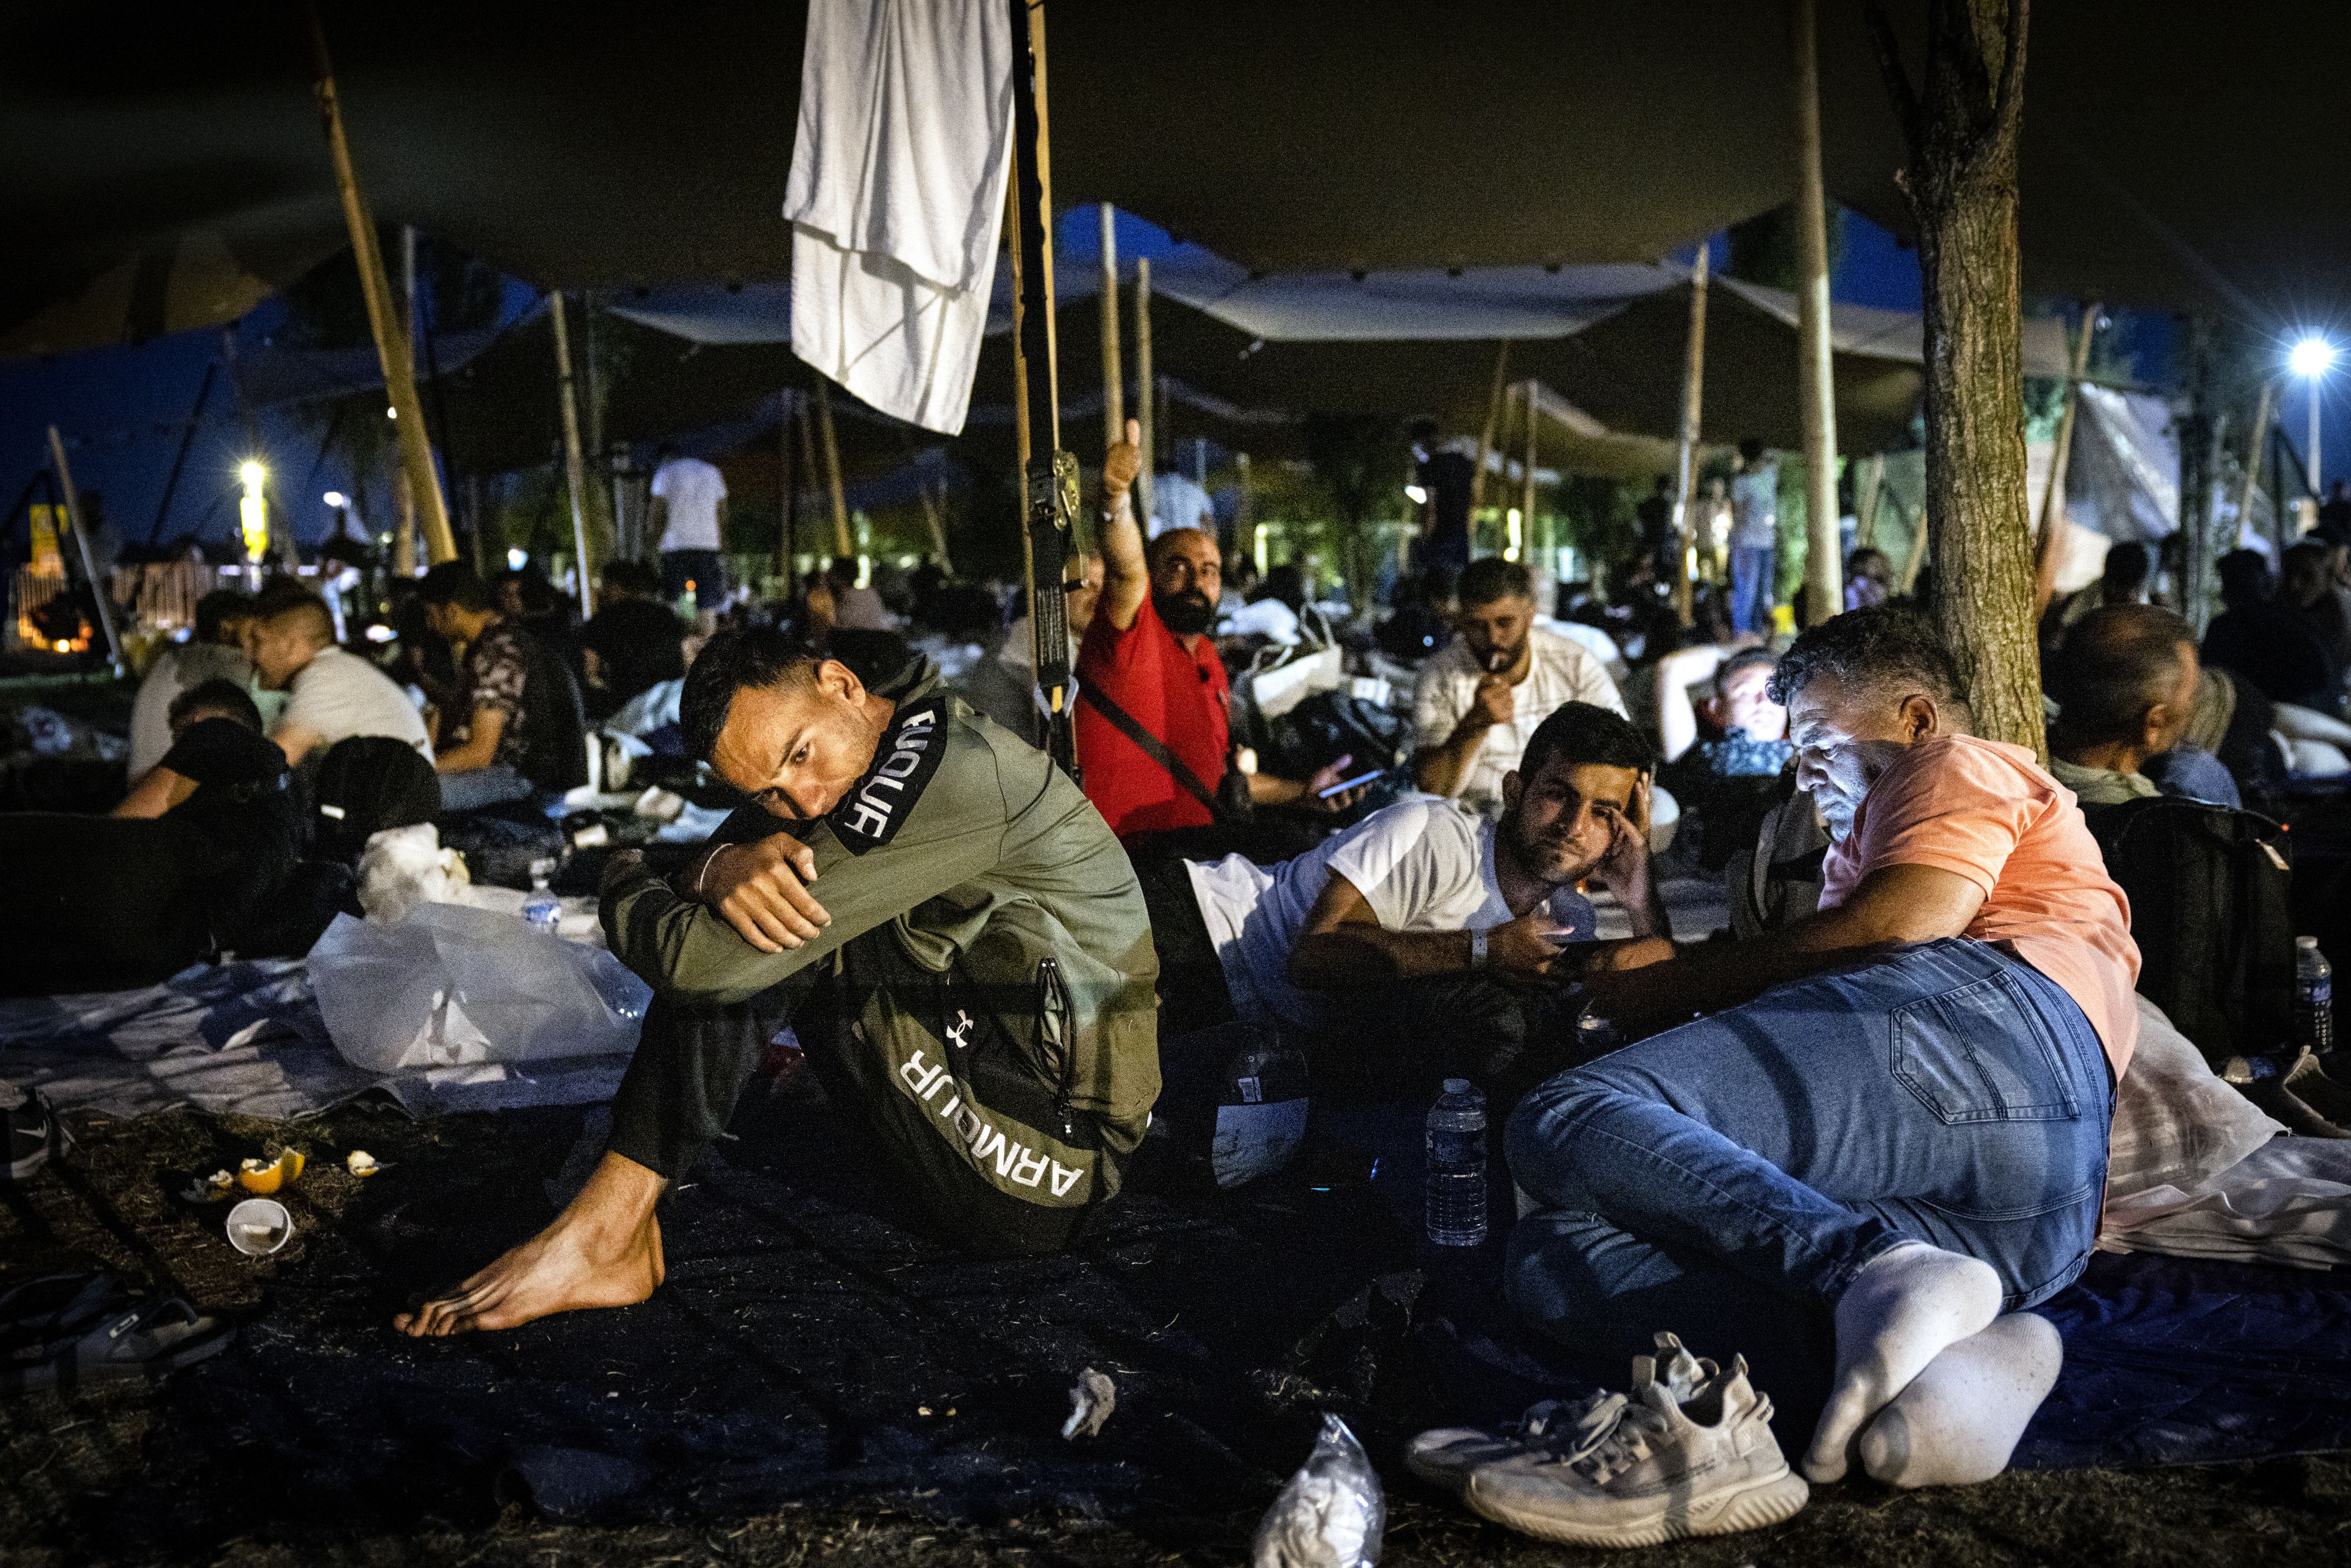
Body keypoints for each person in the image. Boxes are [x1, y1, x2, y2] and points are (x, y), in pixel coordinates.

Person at [1501, 606, 2134, 1500]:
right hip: (2033, 1223)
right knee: (1552, 1260)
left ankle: (1867, 1272)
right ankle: (1955, 1373)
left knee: (1564, 1116)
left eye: (1821, 745)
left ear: (1914, 719)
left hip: (1989, 1032)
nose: (1802, 775)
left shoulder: (1955, 762)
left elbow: (1901, 927)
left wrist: (1672, 987)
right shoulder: (1863, 851)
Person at [393, 629, 1161, 1335]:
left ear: (842, 685)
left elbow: (702, 962)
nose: (807, 798)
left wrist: (623, 871)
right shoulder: (887, 724)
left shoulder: (953, 773)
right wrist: (717, 862)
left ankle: (602, 1233)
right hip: (1002, 1080)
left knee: (781, 926)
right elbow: (742, 854)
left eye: (800, 755)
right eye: (766, 790)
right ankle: (607, 1232)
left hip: (1054, 1166)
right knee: (778, 886)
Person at [1147, 703, 1662, 1105]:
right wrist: (1485, 949)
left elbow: (1655, 997)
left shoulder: (1570, 918)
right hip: (1198, 934)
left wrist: (1641, 899)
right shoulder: (1433, 833)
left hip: (1267, 1032)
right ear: (1515, 791)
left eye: (1603, 813)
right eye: (1559, 795)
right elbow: (1312, 957)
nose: (1573, 827)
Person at [1076, 420, 1357, 844]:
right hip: (1131, 859)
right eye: (1177, 566)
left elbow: (1222, 779)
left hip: (1204, 852)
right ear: (1152, 575)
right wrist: (1115, 500)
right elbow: (1125, 566)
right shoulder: (1130, 636)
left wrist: (1304, 792)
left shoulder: (1208, 657)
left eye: (1209, 571)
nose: (1195, 580)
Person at [1412, 557, 1626, 815]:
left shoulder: (1575, 665)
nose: (1493, 638)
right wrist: (1474, 724)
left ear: (1530, 614)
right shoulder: (1439, 675)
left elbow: (1624, 756)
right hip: (1474, 821)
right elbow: (1432, 791)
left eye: (1505, 622)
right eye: (1477, 625)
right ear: (1461, 621)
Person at [111, 679, 303, 951]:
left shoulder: (212, 734)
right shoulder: (276, 773)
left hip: (205, 931)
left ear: (198, 722)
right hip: (252, 927)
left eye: (178, 742)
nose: (174, 753)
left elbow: (120, 828)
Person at [416, 562, 587, 809]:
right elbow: (447, 711)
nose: (429, 625)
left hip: (532, 780)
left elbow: (480, 752)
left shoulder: (498, 652)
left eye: (430, 615)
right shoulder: (499, 638)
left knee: (418, 796)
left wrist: (420, 771)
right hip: (534, 771)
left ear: (452, 612)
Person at [2048, 604, 2237, 807]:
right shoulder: (2151, 823)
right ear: (2153, 724)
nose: (2192, 708)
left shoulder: (2020, 751)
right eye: (2190, 698)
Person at [245, 588, 432, 769]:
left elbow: (273, 762)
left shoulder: (325, 677)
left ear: (290, 645)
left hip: (398, 796)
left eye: (259, 641)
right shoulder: (335, 668)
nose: (251, 656)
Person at [126, 590, 256, 779]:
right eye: (252, 631)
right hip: (170, 787)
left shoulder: (171, 660)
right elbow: (247, 735)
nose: (260, 637)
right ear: (226, 627)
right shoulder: (228, 661)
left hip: (142, 779)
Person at [2202, 548, 2336, 711]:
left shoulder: (2224, 628)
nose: (2295, 585)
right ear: (2268, 582)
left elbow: (2210, 685)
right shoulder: (2300, 623)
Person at [578, 559, 686, 721]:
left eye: (605, 586)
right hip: (667, 708)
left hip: (623, 710)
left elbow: (591, 673)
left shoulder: (602, 622)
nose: (601, 592)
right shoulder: (667, 617)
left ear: (616, 585)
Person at [648, 446, 729, 608]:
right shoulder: (712, 472)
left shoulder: (664, 473)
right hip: (708, 545)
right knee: (707, 602)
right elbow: (723, 513)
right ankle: (708, 633)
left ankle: (674, 631)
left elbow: (657, 513)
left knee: (673, 599)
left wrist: (654, 543)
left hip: (674, 545)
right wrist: (720, 541)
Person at [2280, 540, 2351, 703]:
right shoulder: (2278, 610)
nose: (2294, 585)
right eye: (2289, 574)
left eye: (2307, 575)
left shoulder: (2345, 613)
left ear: (2329, 576)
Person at [1727, 438, 1779, 636]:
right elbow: (1738, 513)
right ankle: (1742, 636)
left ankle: (1756, 635)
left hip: (1765, 541)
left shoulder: (1768, 474)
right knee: (1747, 591)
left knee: (1762, 591)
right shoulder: (1742, 481)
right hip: (1747, 542)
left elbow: (1775, 458)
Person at [1844, 547, 1893, 611]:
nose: (1878, 568)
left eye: (1878, 565)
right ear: (1860, 565)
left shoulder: (1876, 585)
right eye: (1874, 565)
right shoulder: (1859, 583)